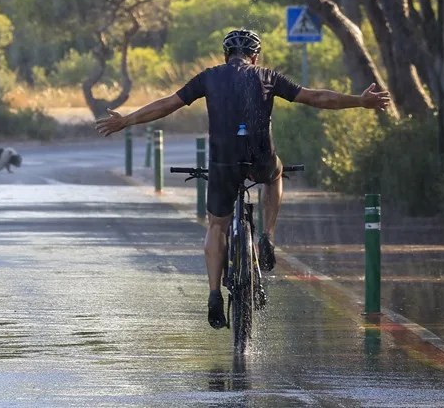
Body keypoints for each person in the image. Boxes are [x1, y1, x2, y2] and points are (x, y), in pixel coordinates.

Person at [95, 29, 391, 329]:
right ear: (255, 55)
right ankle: (267, 236)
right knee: (276, 173)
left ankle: (213, 293)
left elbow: (166, 104)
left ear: (226, 55)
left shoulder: (208, 77)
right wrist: (359, 101)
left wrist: (126, 120)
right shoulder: (267, 76)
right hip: (259, 159)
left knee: (217, 224)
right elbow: (316, 97)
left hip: (223, 162)